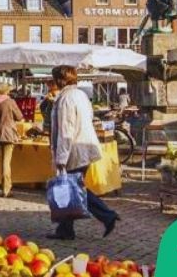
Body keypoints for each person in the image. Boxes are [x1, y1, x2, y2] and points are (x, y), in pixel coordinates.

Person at [47, 65, 119, 240]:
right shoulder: (80, 95)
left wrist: (61, 157)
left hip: (75, 149)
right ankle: (65, 230)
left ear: (59, 80)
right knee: (72, 188)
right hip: (84, 146)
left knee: (75, 189)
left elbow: (66, 130)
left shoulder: (66, 99)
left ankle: (107, 215)